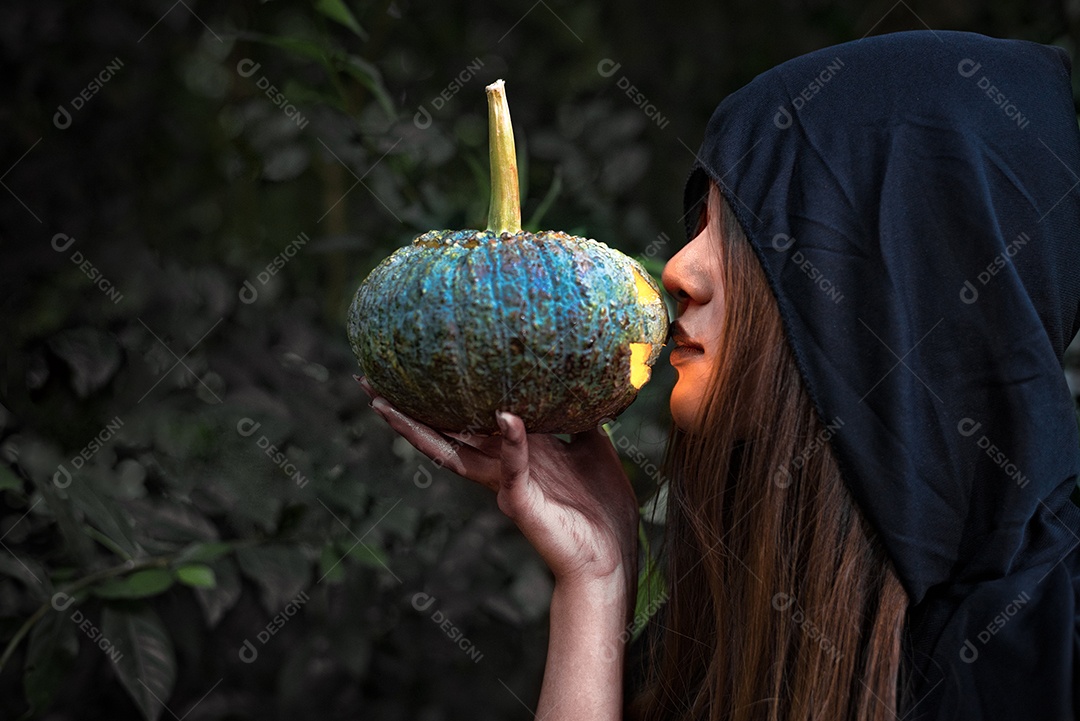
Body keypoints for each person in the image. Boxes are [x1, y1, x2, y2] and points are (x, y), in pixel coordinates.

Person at [360, 29, 1080, 720]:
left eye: (748, 231)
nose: (676, 269)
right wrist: (596, 583)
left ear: (899, 276)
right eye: (696, 224)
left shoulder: (1056, 651)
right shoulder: (725, 636)